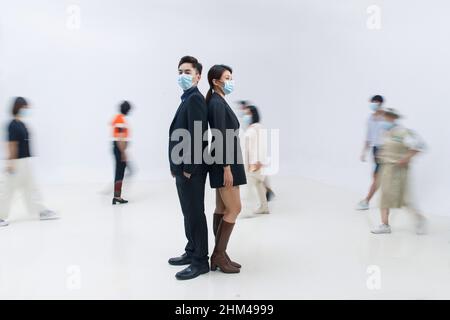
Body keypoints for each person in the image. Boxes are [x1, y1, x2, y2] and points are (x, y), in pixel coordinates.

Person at [168, 56, 210, 280]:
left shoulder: (194, 99)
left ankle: (200, 261)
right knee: (188, 213)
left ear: (198, 76)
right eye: (179, 72)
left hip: (191, 170)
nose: (182, 76)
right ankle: (191, 250)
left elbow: (198, 135)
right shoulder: (187, 98)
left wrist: (188, 167)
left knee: (195, 214)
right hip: (182, 169)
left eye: (187, 72)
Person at [206, 64, 247, 274]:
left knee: (222, 209)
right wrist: (226, 168)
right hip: (225, 162)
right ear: (216, 81)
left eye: (232, 77)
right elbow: (220, 136)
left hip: (226, 160)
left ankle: (220, 254)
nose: (230, 81)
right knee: (235, 208)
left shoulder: (218, 101)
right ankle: (219, 255)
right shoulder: (217, 103)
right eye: (227, 77)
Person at [0, 97, 59, 227]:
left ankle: (40, 211)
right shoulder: (12, 125)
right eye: (25, 108)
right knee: (7, 190)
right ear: (18, 108)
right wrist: (10, 163)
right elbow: (11, 144)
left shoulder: (22, 124)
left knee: (31, 188)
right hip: (16, 162)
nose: (27, 110)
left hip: (25, 162)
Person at [371, 108, 427, 235]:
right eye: (384, 117)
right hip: (386, 169)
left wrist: (406, 158)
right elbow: (385, 148)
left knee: (404, 199)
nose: (385, 119)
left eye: (387, 117)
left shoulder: (404, 132)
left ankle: (420, 220)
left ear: (393, 118)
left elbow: (420, 146)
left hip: (399, 171)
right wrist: (381, 155)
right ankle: (384, 225)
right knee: (384, 197)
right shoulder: (385, 132)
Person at [243, 105, 274, 214]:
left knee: (248, 186)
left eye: (247, 114)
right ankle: (264, 207)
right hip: (254, 162)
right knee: (259, 184)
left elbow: (261, 146)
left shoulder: (257, 128)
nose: (245, 116)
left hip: (255, 163)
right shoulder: (254, 128)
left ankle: (245, 210)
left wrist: (257, 162)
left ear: (253, 114)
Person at [356, 95, 385, 210]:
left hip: (384, 149)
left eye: (375, 102)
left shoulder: (386, 118)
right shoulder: (370, 118)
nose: (373, 104)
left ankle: (366, 201)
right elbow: (368, 137)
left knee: (377, 177)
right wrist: (364, 151)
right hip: (375, 149)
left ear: (380, 103)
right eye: (372, 102)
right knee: (376, 176)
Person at [111, 101, 132, 205]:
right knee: (120, 172)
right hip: (119, 147)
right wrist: (123, 152)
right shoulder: (120, 120)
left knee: (120, 171)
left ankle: (117, 196)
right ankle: (116, 197)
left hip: (118, 147)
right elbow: (120, 137)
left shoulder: (119, 118)